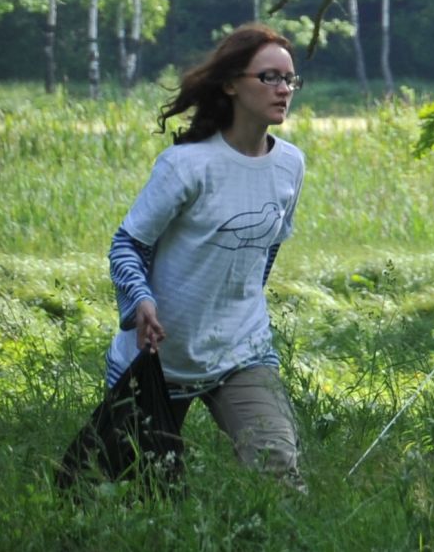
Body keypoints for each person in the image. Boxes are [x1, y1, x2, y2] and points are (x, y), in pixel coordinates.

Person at [102, 24, 307, 486]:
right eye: (270, 77)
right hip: (156, 358)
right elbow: (127, 245)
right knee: (142, 491)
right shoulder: (186, 165)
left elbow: (266, 252)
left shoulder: (291, 163)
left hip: (242, 351)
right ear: (232, 84)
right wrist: (141, 303)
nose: (283, 90)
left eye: (290, 79)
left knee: (277, 467)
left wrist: (241, 308)